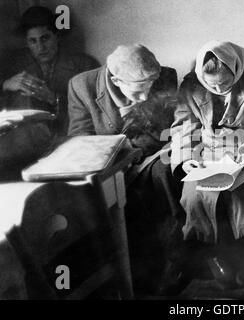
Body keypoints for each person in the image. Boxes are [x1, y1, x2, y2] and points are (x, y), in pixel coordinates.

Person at [169, 40, 244, 288]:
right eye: (211, 85)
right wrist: (188, 158)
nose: (219, 89)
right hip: (207, 153)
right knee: (194, 197)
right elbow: (183, 128)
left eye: (225, 83)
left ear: (236, 69)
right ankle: (211, 257)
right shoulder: (190, 85)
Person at [67, 44, 184, 295]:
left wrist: (133, 147)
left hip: (150, 155)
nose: (145, 97)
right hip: (107, 166)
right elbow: (80, 139)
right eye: (138, 91)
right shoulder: (81, 86)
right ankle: (138, 277)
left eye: (149, 89)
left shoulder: (164, 77)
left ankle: (170, 260)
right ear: (116, 80)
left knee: (164, 175)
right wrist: (115, 152)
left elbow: (164, 131)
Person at [0, 6, 99, 136]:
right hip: (26, 143)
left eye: (45, 38)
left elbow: (96, 115)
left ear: (57, 37)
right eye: (33, 41)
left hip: (68, 138)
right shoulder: (13, 65)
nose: (41, 47)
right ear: (26, 43)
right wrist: (5, 85)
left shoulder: (84, 65)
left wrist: (54, 99)